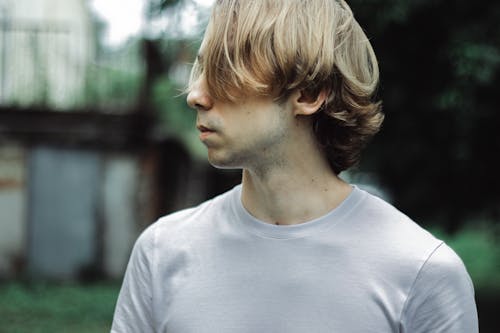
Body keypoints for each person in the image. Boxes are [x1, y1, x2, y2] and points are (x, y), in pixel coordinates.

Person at [111, 0, 479, 332]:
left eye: (225, 70)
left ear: (307, 94)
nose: (195, 95)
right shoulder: (161, 253)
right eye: (202, 67)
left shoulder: (422, 275)